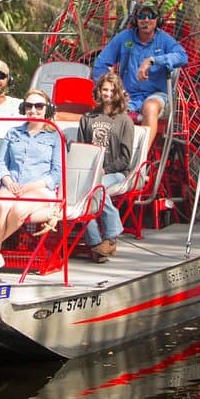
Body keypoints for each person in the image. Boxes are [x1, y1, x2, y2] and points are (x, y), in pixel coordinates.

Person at [0, 89, 63, 278]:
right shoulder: (13, 133)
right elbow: (1, 163)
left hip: (39, 189)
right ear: (24, 108)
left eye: (39, 106)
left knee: (18, 211)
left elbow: (56, 174)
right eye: (29, 106)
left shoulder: (55, 136)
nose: (33, 110)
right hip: (12, 184)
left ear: (47, 109)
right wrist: (6, 180)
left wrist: (32, 186)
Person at [92, 0, 188, 141]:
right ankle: (114, 155)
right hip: (128, 95)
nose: (146, 20)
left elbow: (182, 56)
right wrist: (114, 89)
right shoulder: (124, 38)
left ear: (158, 20)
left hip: (155, 94)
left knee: (150, 108)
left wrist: (152, 60)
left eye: (151, 16)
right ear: (135, 20)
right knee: (109, 111)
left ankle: (140, 159)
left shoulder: (164, 40)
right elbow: (101, 64)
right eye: (142, 16)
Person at [78, 72, 134, 263]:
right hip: (90, 172)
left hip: (115, 173)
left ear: (117, 93)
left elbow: (126, 159)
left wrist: (104, 169)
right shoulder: (87, 118)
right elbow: (82, 149)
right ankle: (97, 244)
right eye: (104, 89)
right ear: (99, 91)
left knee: (96, 186)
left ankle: (111, 235)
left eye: (112, 90)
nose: (108, 93)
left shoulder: (124, 121)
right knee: (83, 190)